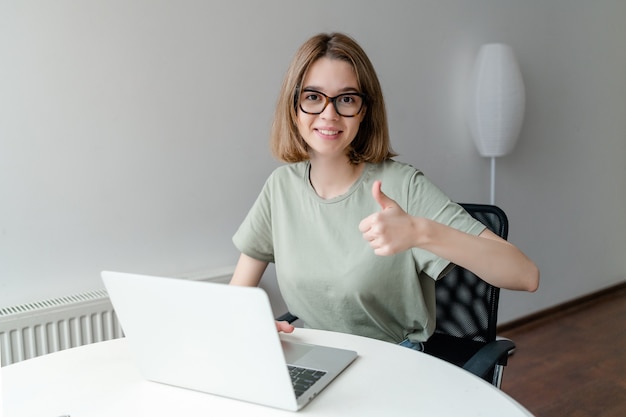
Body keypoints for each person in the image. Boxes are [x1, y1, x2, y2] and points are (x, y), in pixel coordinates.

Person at [230, 32, 539, 349]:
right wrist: (257, 327)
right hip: (315, 355)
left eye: (347, 99)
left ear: (363, 110)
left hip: (394, 362)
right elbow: (235, 299)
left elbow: (525, 275)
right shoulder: (281, 188)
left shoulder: (402, 186)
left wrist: (420, 232)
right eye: (313, 97)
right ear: (294, 106)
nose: (329, 114)